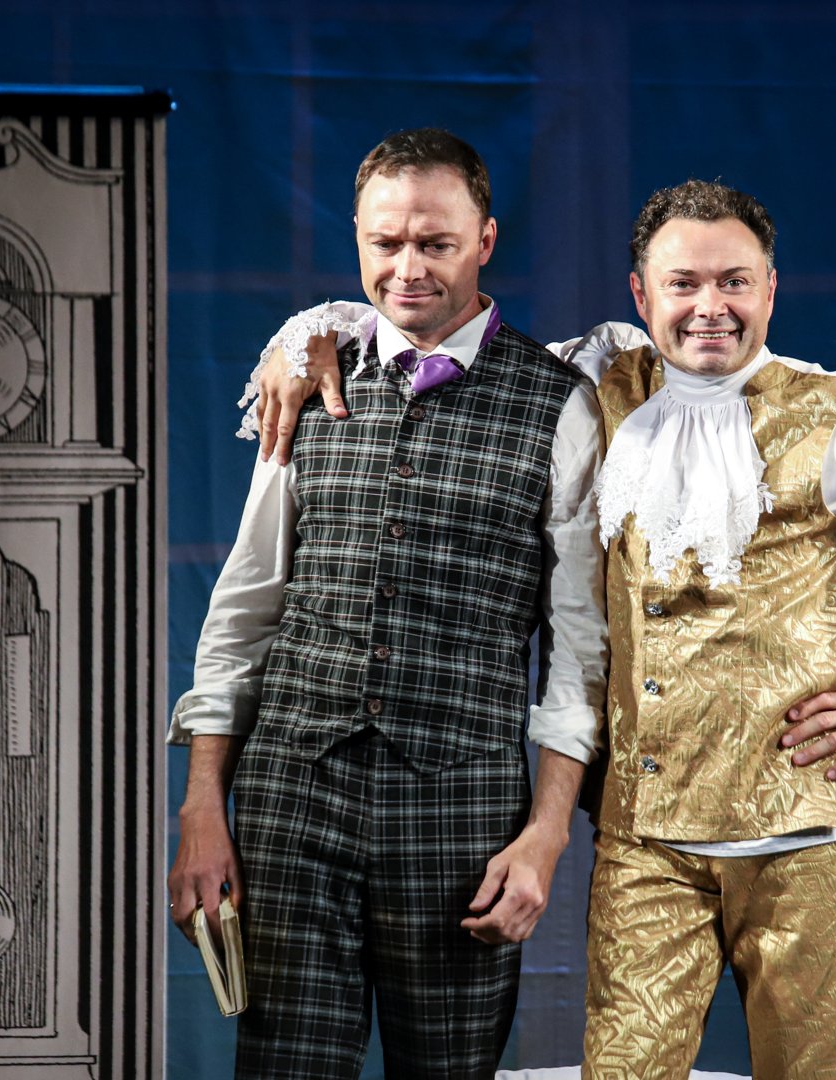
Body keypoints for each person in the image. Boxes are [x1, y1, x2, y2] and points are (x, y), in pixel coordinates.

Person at [250, 180, 836, 1080]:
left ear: (769, 290)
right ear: (641, 296)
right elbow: (442, 326)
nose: (708, 306)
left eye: (733, 282)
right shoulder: (599, 382)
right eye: (683, 284)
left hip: (809, 839)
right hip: (644, 839)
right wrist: (311, 334)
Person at [166, 128, 607, 1080]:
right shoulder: (306, 376)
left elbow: (580, 651)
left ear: (485, 240)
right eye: (385, 242)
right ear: (358, 237)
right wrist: (201, 805)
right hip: (292, 797)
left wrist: (544, 837)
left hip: (462, 813)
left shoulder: (560, 406)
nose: (407, 269)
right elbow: (245, 607)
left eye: (435, 244)